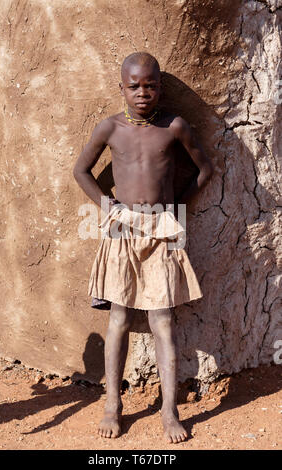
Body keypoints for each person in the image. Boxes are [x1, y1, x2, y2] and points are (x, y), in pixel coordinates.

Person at [73, 52, 214, 443]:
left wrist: (175, 211)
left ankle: (169, 411)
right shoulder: (110, 129)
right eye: (134, 86)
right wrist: (108, 206)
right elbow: (81, 171)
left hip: (161, 233)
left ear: (160, 88)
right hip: (122, 232)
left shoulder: (174, 127)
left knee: (162, 321)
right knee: (118, 318)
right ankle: (112, 405)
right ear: (121, 88)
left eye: (150, 85)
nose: (142, 93)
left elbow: (205, 171)